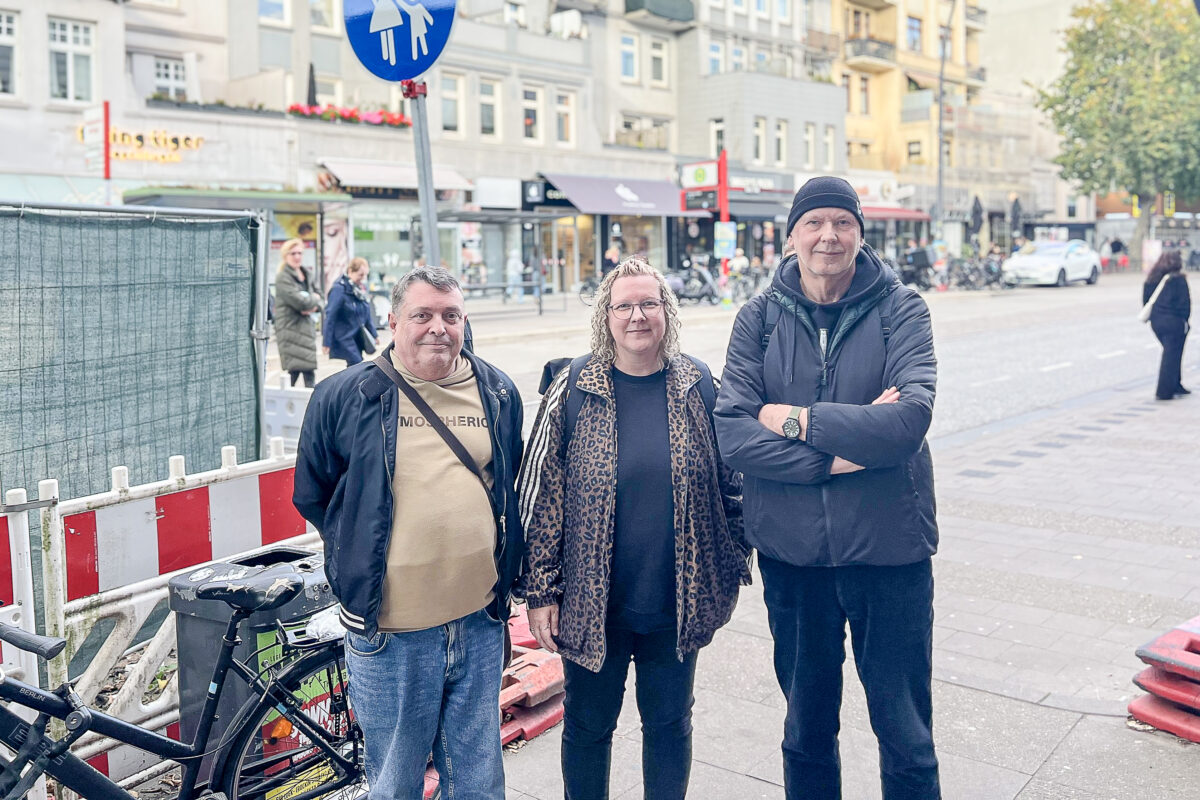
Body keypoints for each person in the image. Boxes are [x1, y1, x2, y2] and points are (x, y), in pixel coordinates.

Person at [715, 176, 941, 800]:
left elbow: (906, 424)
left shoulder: (903, 309)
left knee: (906, 734)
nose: (828, 236)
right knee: (806, 729)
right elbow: (731, 433)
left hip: (890, 555)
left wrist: (793, 419)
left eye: (842, 222)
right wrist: (831, 461)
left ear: (860, 233)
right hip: (794, 559)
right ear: (791, 237)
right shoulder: (757, 319)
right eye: (814, 223)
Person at [519, 257, 751, 800]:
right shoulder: (575, 385)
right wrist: (540, 590)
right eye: (623, 305)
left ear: (666, 313)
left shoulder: (697, 384)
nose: (637, 316)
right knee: (587, 727)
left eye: (649, 303)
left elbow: (731, 482)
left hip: (676, 603)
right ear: (606, 317)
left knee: (669, 724)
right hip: (591, 603)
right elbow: (544, 494)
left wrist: (732, 559)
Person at [293, 265, 526, 800]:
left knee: (479, 784)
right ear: (394, 321)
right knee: (395, 782)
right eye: (422, 315)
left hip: (479, 624)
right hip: (392, 634)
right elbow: (315, 493)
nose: (437, 328)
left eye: (451, 315)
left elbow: (506, 486)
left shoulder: (497, 390)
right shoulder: (346, 395)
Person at [1143, 251, 1191, 401]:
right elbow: (1185, 304)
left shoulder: (1151, 279)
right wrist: (1184, 321)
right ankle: (1164, 391)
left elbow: (1146, 301)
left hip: (1157, 322)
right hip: (1174, 322)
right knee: (1172, 356)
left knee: (1170, 353)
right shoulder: (1178, 279)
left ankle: (1176, 384)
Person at [274, 238, 321, 388]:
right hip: (291, 331)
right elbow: (300, 302)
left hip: (306, 332)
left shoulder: (306, 274)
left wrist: (314, 304)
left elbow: (321, 298)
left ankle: (311, 411)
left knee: (309, 377)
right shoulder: (283, 277)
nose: (297, 256)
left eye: (300, 253)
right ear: (285, 255)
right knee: (291, 377)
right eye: (293, 253)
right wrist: (313, 300)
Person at [323, 257, 379, 368]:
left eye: (365, 275)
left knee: (355, 364)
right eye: (360, 275)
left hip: (357, 335)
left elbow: (366, 314)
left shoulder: (360, 289)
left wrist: (374, 334)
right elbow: (330, 315)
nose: (363, 278)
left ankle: (350, 385)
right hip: (344, 336)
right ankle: (350, 385)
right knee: (356, 363)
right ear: (350, 272)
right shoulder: (339, 289)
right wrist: (326, 342)